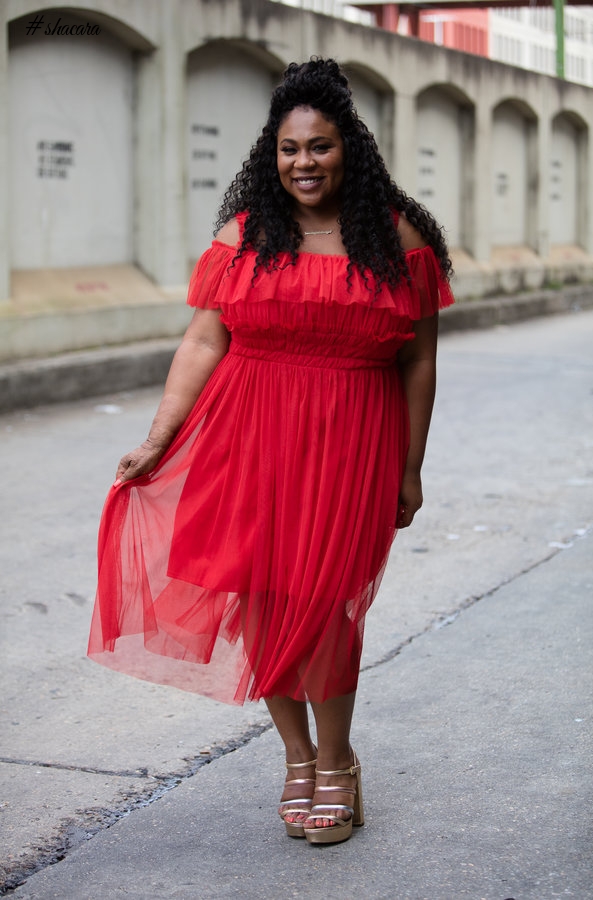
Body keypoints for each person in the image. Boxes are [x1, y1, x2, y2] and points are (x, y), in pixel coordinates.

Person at [88, 57, 453, 845]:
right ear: (271, 153)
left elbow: (419, 357)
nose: (304, 163)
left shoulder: (397, 237)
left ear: (347, 148)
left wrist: (411, 464)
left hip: (352, 440)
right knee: (258, 596)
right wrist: (159, 436)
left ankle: (337, 756)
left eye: (319, 147)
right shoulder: (245, 234)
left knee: (325, 607)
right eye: (289, 149)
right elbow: (204, 338)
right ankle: (295, 754)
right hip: (245, 437)